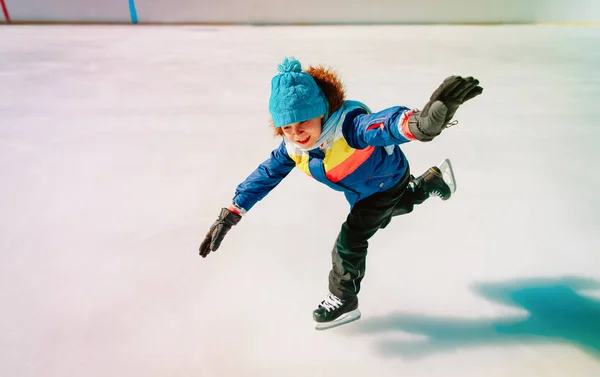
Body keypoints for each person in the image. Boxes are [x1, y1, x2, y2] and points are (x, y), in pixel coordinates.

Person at [199, 57, 483, 330]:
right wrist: (232, 212)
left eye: (303, 122)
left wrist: (418, 125)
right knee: (387, 214)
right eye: (287, 127)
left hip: (383, 184)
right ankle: (427, 183)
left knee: (351, 241)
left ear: (321, 112)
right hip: (364, 189)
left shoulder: (348, 128)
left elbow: (381, 126)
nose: (297, 133)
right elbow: (266, 175)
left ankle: (344, 299)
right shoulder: (293, 148)